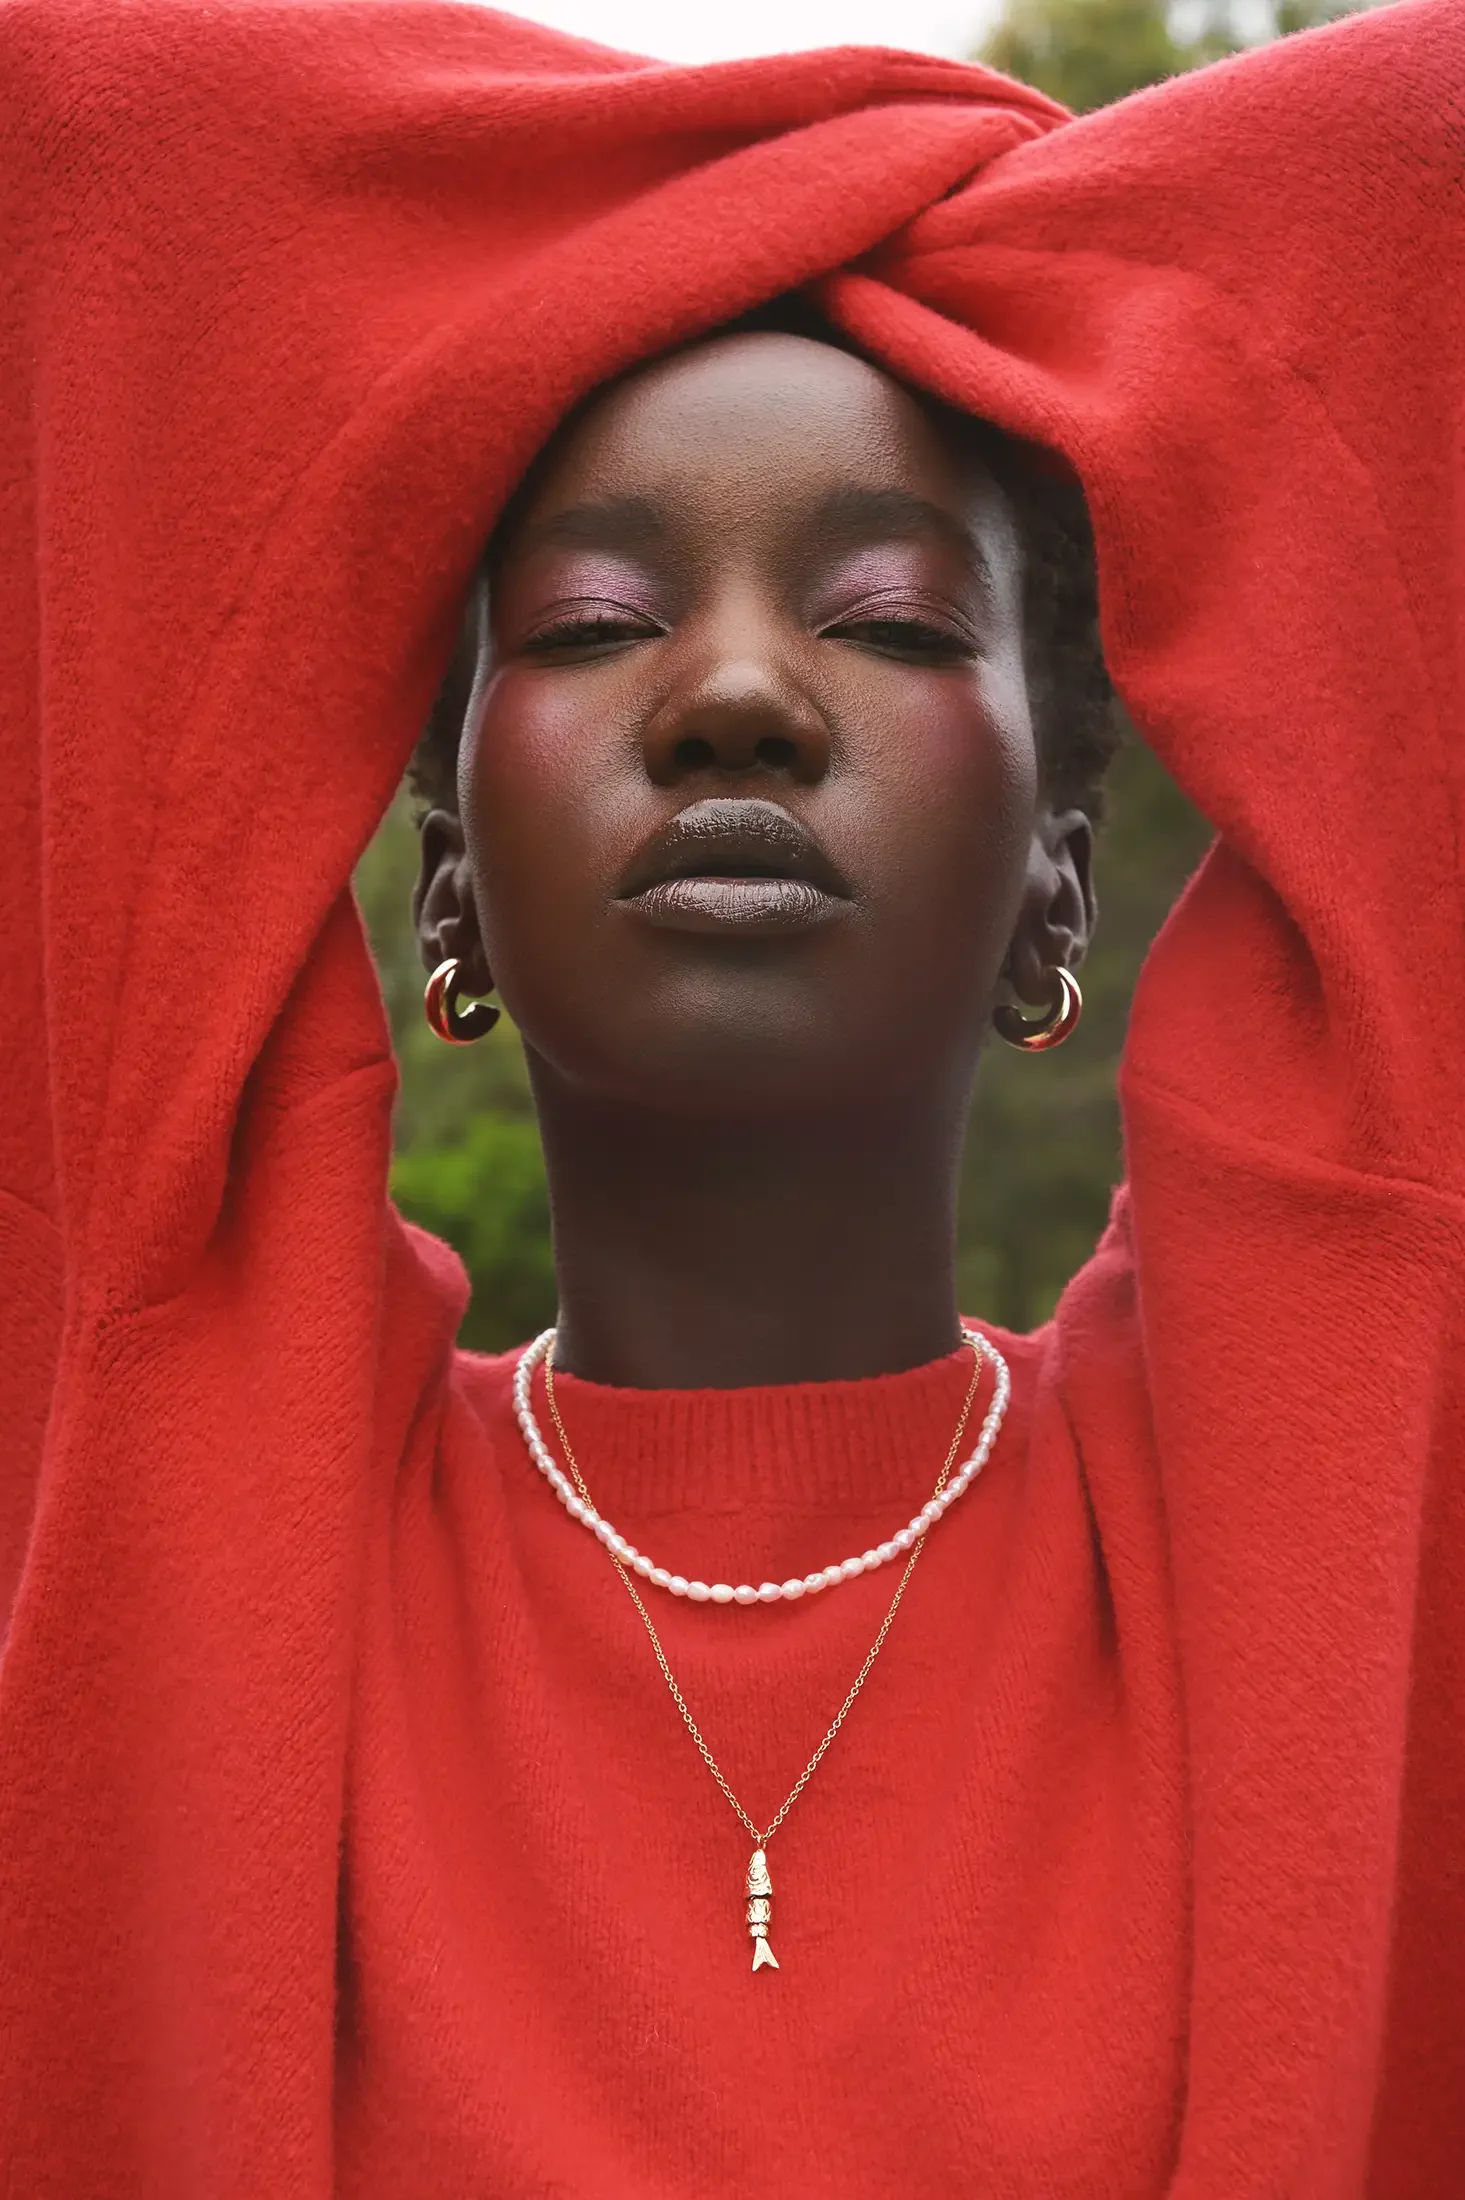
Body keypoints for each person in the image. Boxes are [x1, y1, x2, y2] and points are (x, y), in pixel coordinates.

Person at [0, 3, 1460, 2195]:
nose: (744, 693)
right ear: (454, 860)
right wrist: (840, 177)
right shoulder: (182, 1459)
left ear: (1060, 844)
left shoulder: (1317, 1486)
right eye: (592, 621)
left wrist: (909, 211)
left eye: (883, 613)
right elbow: (104, 146)